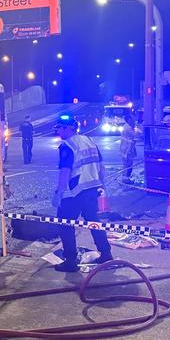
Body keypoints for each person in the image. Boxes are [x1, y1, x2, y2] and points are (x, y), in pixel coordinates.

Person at [52, 112, 113, 272]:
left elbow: (65, 171)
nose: (58, 132)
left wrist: (59, 193)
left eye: (60, 128)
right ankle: (106, 254)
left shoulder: (68, 146)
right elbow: (101, 165)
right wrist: (101, 185)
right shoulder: (89, 141)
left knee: (65, 224)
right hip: (92, 189)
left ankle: (70, 261)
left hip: (74, 192)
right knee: (93, 221)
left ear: (67, 129)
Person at [120, 115, 137, 184]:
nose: (134, 121)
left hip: (125, 149)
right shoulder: (129, 128)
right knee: (128, 165)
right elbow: (136, 136)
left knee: (125, 165)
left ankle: (125, 178)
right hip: (128, 150)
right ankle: (126, 180)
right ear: (129, 120)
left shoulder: (125, 126)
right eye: (132, 119)